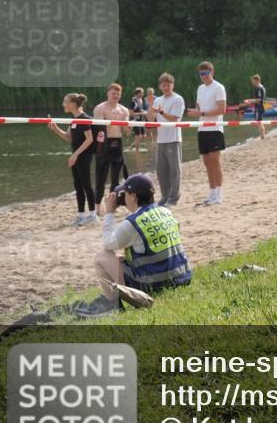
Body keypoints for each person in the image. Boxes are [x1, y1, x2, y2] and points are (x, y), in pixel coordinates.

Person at [85, 173, 192, 316]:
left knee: (101, 257)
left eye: (125, 194)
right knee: (123, 257)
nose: (123, 197)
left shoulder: (133, 222)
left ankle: (114, 306)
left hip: (155, 284)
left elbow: (107, 244)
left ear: (133, 197)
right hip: (181, 278)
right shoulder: (166, 212)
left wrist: (110, 213)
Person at [47, 93, 97, 225]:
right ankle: (81, 215)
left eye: (65, 101)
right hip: (76, 156)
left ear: (73, 104)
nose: (63, 104)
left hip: (84, 156)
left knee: (86, 185)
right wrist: (56, 129)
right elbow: (69, 137)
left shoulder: (84, 118)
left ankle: (92, 215)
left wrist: (75, 155)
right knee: (78, 185)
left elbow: (89, 139)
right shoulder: (73, 119)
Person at [186, 61, 226, 206]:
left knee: (215, 161)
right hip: (202, 128)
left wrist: (201, 113)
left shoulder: (219, 87)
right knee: (206, 162)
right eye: (201, 74)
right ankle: (212, 192)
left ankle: (219, 194)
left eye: (206, 73)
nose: (203, 76)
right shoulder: (200, 88)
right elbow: (199, 108)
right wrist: (194, 112)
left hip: (215, 128)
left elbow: (222, 109)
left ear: (212, 72)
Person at [93, 84, 130, 212]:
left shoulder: (124, 110)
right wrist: (111, 121)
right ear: (108, 93)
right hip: (103, 144)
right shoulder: (100, 108)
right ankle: (97, 206)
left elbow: (126, 132)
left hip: (117, 143)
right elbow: (98, 129)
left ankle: (112, 206)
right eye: (113, 93)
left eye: (118, 94)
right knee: (100, 178)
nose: (116, 96)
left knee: (115, 179)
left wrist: (127, 126)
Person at [151, 73, 185, 206]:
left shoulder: (178, 99)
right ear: (160, 86)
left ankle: (173, 197)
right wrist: (150, 108)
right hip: (161, 139)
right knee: (161, 171)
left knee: (174, 170)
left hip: (173, 138)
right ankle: (165, 196)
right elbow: (152, 119)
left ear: (172, 85)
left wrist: (161, 112)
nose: (166, 87)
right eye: (163, 85)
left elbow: (176, 118)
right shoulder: (157, 99)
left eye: (168, 84)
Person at [129, 88, 147, 152]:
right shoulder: (133, 102)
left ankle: (131, 147)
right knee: (138, 136)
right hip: (135, 121)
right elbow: (131, 113)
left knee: (143, 136)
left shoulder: (141, 100)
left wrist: (144, 112)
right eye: (142, 93)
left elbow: (140, 109)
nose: (143, 94)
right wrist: (142, 113)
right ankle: (137, 152)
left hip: (141, 120)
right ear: (138, 93)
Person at [250, 74, 266, 139]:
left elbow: (259, 99)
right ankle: (262, 135)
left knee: (258, 122)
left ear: (256, 80)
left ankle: (262, 136)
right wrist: (252, 100)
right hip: (261, 106)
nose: (252, 82)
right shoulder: (262, 87)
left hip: (259, 107)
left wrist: (251, 101)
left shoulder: (258, 88)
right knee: (259, 122)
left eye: (253, 81)